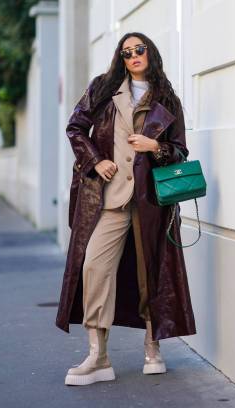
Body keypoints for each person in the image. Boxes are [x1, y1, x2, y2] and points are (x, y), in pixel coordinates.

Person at [58, 32, 197, 387]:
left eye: (139, 49)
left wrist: (155, 146)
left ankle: (153, 347)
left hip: (151, 201)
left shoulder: (167, 99)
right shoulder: (102, 88)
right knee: (94, 266)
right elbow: (76, 127)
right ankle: (98, 356)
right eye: (126, 52)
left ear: (151, 53)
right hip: (111, 197)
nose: (133, 56)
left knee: (150, 271)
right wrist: (95, 160)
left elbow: (180, 152)